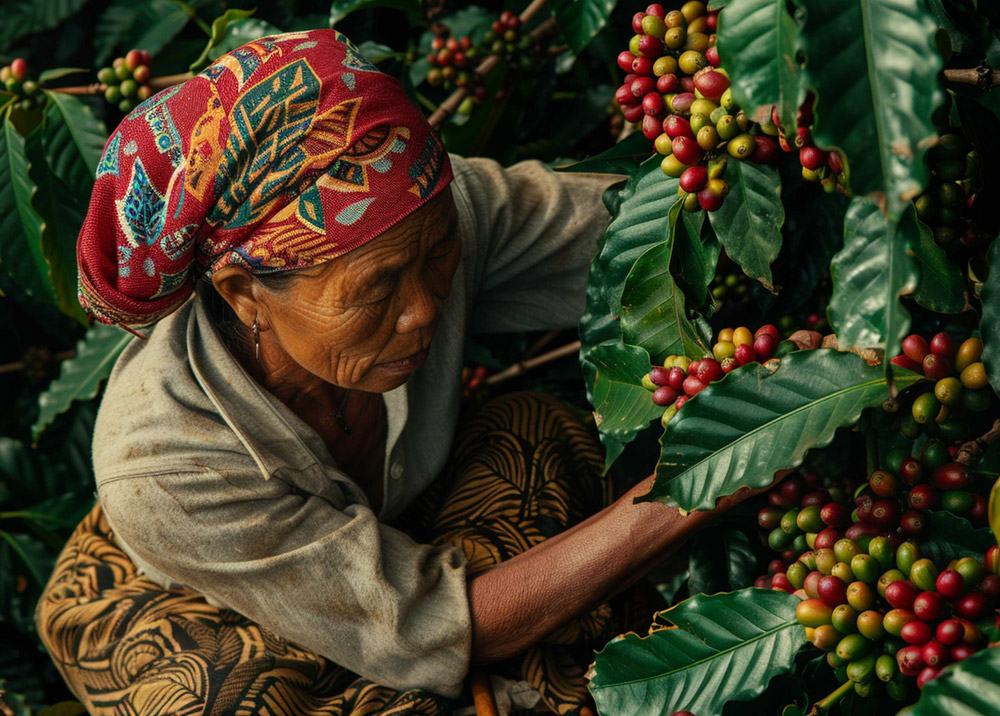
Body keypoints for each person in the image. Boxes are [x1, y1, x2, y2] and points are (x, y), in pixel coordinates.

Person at [36, 29, 751, 716]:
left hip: (401, 520)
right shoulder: (162, 462)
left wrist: (782, 176)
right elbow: (436, 627)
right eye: (377, 288)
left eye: (439, 256)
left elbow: (653, 236)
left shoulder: (429, 213)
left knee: (536, 432)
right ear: (244, 292)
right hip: (204, 596)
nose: (423, 311)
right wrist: (713, 467)